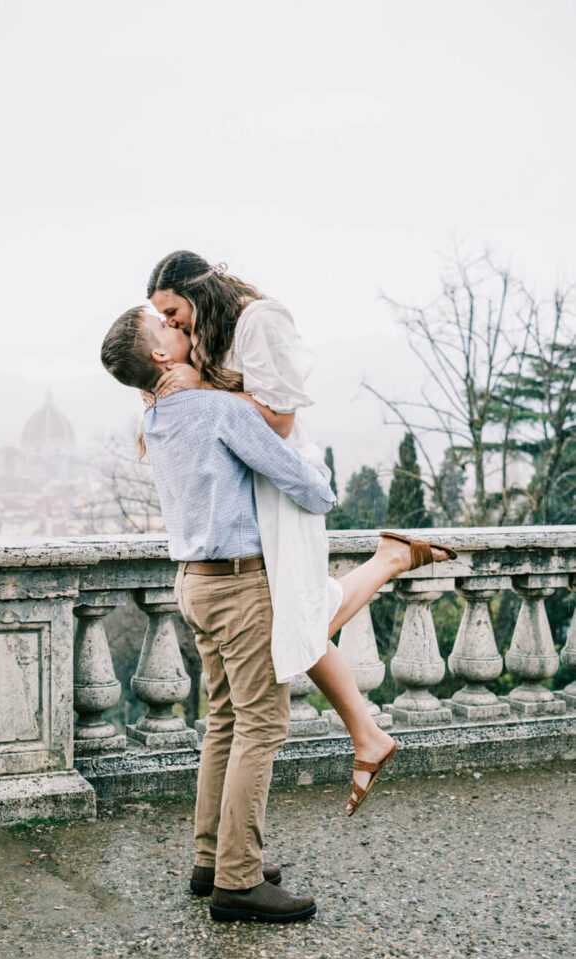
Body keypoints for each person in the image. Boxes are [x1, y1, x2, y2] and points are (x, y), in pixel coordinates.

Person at [146, 251, 456, 814]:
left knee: (296, 617)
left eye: (171, 312)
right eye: (161, 319)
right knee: (296, 618)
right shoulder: (210, 334)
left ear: (196, 293)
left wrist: (196, 394)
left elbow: (280, 419)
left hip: (284, 484)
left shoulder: (260, 319)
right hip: (253, 485)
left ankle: (386, 571)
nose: (170, 325)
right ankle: (369, 727)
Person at [101, 305, 338, 923]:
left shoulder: (153, 415)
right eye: (168, 328)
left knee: (227, 718)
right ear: (160, 355)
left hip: (193, 586)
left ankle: (211, 858)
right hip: (237, 584)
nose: (181, 329)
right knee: (263, 723)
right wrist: (323, 478)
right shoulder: (219, 410)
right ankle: (237, 877)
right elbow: (307, 486)